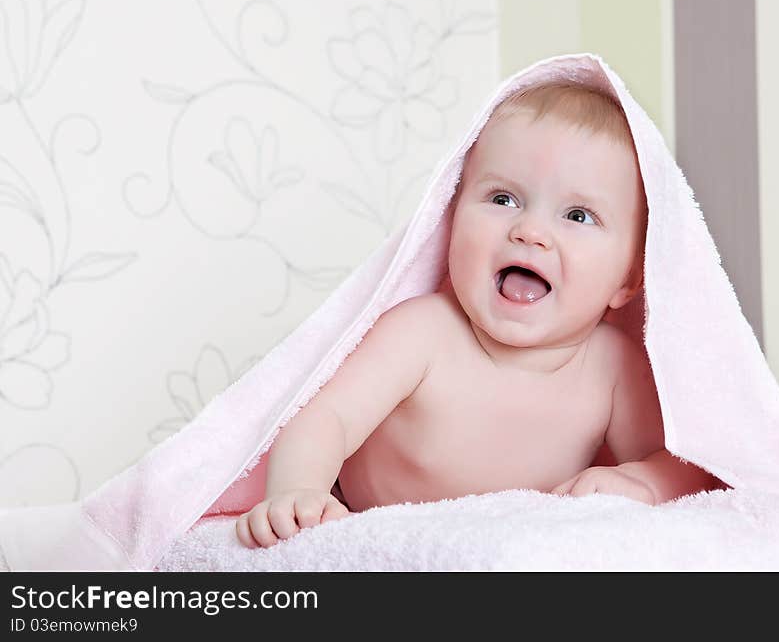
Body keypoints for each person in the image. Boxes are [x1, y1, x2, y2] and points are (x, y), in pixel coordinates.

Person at [236, 82, 720, 549]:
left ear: (627, 281)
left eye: (578, 216)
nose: (530, 231)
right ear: (449, 219)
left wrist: (642, 481)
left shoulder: (612, 367)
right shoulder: (423, 332)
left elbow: (687, 465)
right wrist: (299, 491)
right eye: (502, 199)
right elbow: (327, 419)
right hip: (388, 535)